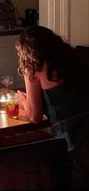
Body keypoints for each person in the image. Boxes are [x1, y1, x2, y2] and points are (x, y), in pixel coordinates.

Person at [16, 25, 89, 189]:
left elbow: (35, 116)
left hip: (72, 138)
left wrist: (23, 100)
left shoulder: (33, 68)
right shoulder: (74, 59)